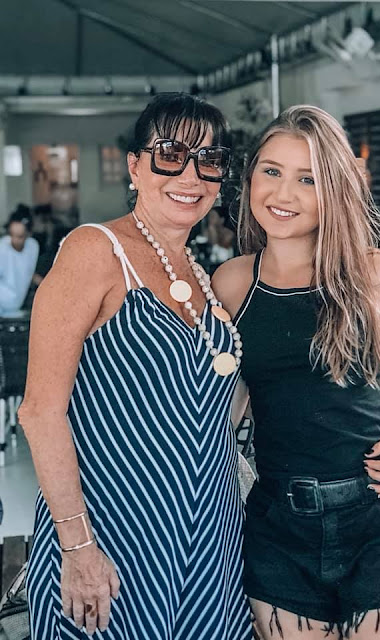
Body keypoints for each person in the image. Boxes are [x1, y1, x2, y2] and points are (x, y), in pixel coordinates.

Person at [212, 106, 380, 640]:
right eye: (271, 171)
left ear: (335, 190)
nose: (283, 193)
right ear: (250, 177)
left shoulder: (375, 275)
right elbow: (229, 394)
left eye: (308, 179)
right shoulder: (231, 283)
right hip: (281, 526)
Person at [20, 92, 252, 640]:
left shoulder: (201, 275)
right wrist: (78, 547)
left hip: (210, 531)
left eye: (209, 160)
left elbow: (219, 400)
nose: (190, 175)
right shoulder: (94, 250)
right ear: (135, 165)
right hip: (112, 530)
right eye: (170, 154)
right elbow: (40, 412)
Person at [0, 205, 39, 315]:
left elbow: (27, 272)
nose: (15, 240)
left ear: (28, 234)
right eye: (12, 235)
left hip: (15, 307)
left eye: (20, 236)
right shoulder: (2, 247)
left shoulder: (33, 246)